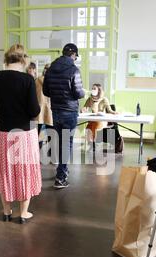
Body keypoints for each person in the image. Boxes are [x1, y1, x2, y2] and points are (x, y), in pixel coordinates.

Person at [0, 44, 41, 224]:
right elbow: (34, 110)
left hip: (3, 133)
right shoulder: (27, 79)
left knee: (6, 171)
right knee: (24, 170)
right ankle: (23, 213)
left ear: (7, 59)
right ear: (24, 59)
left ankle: (7, 211)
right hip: (24, 133)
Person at [43, 43, 85, 189]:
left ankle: (62, 170)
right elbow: (79, 93)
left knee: (60, 141)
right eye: (75, 56)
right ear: (73, 54)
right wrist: (82, 93)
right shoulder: (74, 70)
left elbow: (46, 92)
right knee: (66, 143)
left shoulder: (50, 69)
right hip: (69, 112)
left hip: (56, 111)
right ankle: (61, 177)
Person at [81, 84, 117, 150]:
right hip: (92, 120)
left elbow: (109, 110)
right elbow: (84, 108)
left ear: (99, 90)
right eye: (92, 88)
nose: (93, 90)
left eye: (94, 88)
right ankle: (91, 144)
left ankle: (93, 144)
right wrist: (83, 110)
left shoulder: (104, 99)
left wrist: (114, 112)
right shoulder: (90, 99)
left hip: (102, 121)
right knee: (88, 128)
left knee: (93, 125)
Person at [35, 64, 53, 148]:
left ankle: (37, 148)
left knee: (38, 128)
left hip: (39, 108)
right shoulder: (54, 81)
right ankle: (51, 149)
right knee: (50, 129)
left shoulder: (37, 80)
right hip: (49, 108)